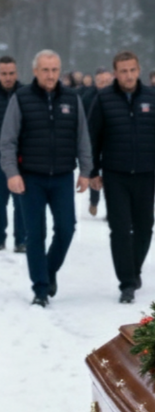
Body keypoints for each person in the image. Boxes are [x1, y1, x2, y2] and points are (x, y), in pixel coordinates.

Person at [0, 50, 92, 307]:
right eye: (45, 70)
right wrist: (12, 173)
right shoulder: (21, 98)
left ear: (59, 71)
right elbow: (7, 140)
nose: (50, 75)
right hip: (31, 178)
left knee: (66, 228)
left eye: (54, 70)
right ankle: (40, 289)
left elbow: (82, 137)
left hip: (62, 176)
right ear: (35, 72)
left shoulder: (72, 98)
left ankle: (49, 270)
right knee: (35, 234)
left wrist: (86, 171)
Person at [88, 51, 155, 304]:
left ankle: (134, 269)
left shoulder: (152, 97)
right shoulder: (103, 99)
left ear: (139, 70)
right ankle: (127, 282)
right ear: (115, 73)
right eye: (123, 71)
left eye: (132, 70)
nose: (128, 75)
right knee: (119, 229)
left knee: (145, 226)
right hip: (115, 174)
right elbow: (92, 138)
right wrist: (92, 171)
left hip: (145, 173)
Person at [0, 56, 27, 252]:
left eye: (11, 73)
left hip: (21, 158)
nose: (8, 78)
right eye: (3, 74)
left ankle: (21, 240)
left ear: (16, 73)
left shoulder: (25, 94)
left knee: (22, 201)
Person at [82, 67, 113, 216]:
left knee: (111, 175)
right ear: (95, 82)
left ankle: (111, 208)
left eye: (107, 81)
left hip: (110, 141)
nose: (104, 85)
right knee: (93, 170)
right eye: (101, 82)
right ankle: (94, 200)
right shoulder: (88, 97)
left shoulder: (116, 96)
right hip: (92, 139)